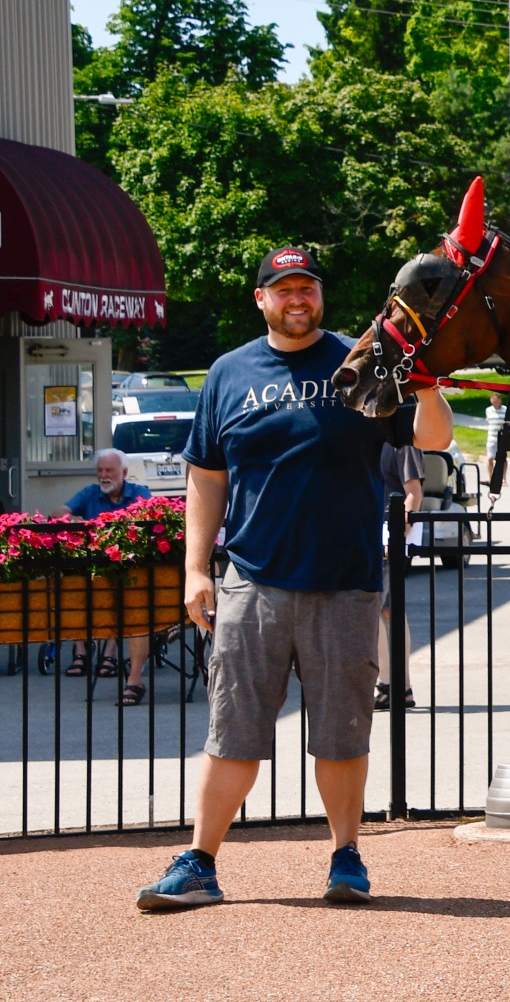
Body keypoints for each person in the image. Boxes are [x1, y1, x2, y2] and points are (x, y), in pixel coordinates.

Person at [134, 244, 451, 912]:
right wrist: (196, 570)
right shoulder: (228, 373)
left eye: (307, 286)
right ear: (262, 299)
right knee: (233, 729)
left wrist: (423, 377)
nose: (297, 299)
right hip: (253, 580)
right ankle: (199, 864)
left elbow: (433, 438)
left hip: (346, 580)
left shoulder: (362, 359)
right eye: (284, 289)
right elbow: (206, 478)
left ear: (320, 296)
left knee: (341, 734)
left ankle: (347, 858)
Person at [60, 449, 154, 703]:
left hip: (128, 569)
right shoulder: (91, 493)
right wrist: (64, 518)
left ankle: (111, 654)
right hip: (96, 567)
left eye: (109, 470)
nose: (103, 475)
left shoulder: (139, 494)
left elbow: (150, 518)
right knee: (74, 588)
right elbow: (63, 510)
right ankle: (81, 650)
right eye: (100, 470)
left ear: (123, 473)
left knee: (126, 597)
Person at [374, 441, 424, 711]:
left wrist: (394, 536)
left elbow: (413, 492)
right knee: (390, 611)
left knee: (373, 608)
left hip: (385, 537)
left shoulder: (402, 442)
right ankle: (399, 688)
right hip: (375, 533)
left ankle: (387, 684)